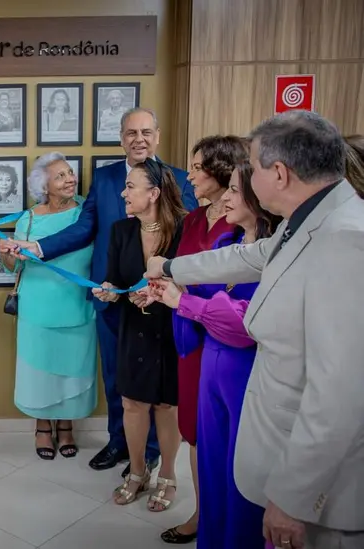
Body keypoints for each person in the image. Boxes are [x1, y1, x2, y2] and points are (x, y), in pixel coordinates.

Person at [146, 111, 364, 549]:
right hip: (276, 458)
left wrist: (294, 497)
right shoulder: (307, 220)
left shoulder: (346, 240)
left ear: (279, 174)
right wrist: (170, 266)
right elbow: (249, 257)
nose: (243, 180)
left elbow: (340, 394)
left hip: (314, 499)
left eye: (254, 167)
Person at [3, 107, 198, 477]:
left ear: (157, 135)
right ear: (121, 138)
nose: (138, 139)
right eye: (130, 133)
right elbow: (85, 226)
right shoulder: (107, 178)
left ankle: (151, 452)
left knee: (158, 380)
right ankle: (118, 442)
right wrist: (38, 247)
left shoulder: (179, 178)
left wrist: (165, 281)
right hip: (109, 293)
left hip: (158, 297)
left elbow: (186, 234)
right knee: (115, 373)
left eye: (145, 132)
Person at [151, 155, 279, 548]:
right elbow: (200, 293)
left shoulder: (276, 255)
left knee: (241, 474)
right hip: (210, 368)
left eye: (235, 192)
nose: (225, 200)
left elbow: (245, 325)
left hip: (245, 374)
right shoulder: (227, 244)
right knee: (211, 467)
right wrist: (166, 292)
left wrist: (182, 302)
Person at [93, 158, 186, 512]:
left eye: (131, 186)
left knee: (166, 404)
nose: (123, 192)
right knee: (132, 402)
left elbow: (193, 277)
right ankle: (136, 472)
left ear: (154, 193)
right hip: (134, 328)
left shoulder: (183, 229)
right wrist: (109, 290)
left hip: (171, 328)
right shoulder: (120, 231)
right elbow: (115, 280)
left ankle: (168, 475)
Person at [163, 134, 243, 543]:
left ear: (222, 170)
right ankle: (203, 514)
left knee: (223, 438)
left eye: (197, 167)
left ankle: (218, 518)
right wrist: (160, 289)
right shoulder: (193, 219)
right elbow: (179, 271)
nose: (189, 174)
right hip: (189, 338)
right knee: (194, 430)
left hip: (227, 341)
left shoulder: (245, 220)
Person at [1, 153, 97, 460]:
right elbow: (12, 266)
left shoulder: (86, 212)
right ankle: (43, 427)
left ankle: (66, 426)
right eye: (60, 176)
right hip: (37, 306)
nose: (70, 179)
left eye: (70, 172)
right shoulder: (27, 219)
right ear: (45, 187)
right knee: (40, 370)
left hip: (77, 304)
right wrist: (6, 251)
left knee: (71, 366)